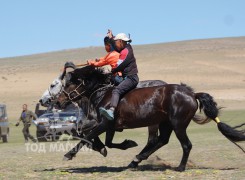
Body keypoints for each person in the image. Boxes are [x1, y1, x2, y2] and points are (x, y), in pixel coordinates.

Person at [99, 30, 139, 120]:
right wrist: (111, 37)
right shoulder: (127, 47)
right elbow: (116, 46)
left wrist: (110, 72)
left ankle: (111, 111)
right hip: (128, 77)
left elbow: (119, 65)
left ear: (121, 41)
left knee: (116, 91)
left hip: (131, 78)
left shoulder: (125, 52)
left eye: (116, 42)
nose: (115, 45)